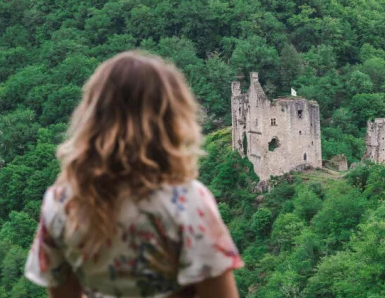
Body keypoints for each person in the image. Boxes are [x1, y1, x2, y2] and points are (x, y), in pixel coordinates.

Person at [24, 51, 243, 298]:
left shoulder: (63, 203)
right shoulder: (187, 202)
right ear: (171, 118)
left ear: (92, 116)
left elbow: (63, 293)